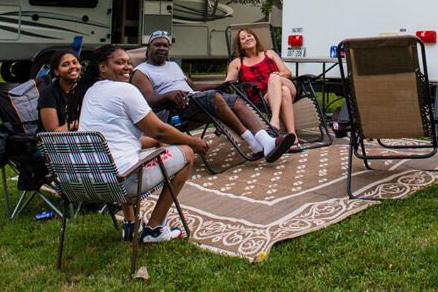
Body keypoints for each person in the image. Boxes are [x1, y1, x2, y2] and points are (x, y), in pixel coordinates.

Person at [77, 44, 209, 244]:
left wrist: (156, 142)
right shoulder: (126, 90)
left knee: (122, 157)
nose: (127, 67)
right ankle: (155, 229)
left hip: (89, 181)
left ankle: (131, 224)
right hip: (121, 182)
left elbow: (120, 139)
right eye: (119, 63)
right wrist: (193, 142)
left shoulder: (91, 93)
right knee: (186, 154)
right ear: (102, 67)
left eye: (129, 63)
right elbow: (159, 129)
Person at [131, 31, 295, 164]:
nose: (162, 48)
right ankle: (254, 143)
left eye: (165, 45)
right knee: (215, 98)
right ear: (149, 48)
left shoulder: (173, 65)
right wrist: (169, 94)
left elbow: (193, 87)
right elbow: (147, 100)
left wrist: (219, 86)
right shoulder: (141, 71)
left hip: (195, 100)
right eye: (157, 45)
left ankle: (265, 142)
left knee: (236, 101)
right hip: (174, 110)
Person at [224, 28, 302, 152]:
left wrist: (277, 76)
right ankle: (293, 137)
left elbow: (288, 72)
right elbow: (227, 83)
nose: (247, 39)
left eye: (249, 35)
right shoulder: (237, 62)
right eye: (243, 38)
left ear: (255, 38)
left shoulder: (269, 54)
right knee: (284, 91)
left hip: (286, 84)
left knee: (275, 79)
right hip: (264, 97)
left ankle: (274, 120)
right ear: (240, 45)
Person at [38, 49, 83, 132]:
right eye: (65, 65)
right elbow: (53, 132)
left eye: (75, 62)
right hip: (56, 142)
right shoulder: (49, 93)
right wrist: (79, 123)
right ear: (56, 71)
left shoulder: (86, 89)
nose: (72, 66)